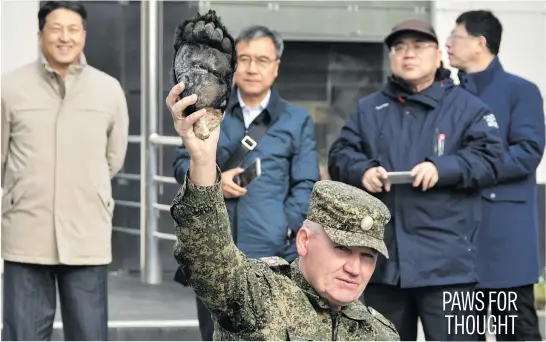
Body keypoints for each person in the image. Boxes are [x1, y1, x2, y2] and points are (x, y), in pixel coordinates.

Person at [166, 82, 400, 341]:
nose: (355, 269)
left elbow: (304, 181)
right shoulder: (257, 298)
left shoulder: (378, 334)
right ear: (304, 240)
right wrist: (203, 163)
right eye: (342, 248)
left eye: (367, 256)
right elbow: (208, 260)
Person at [327, 19, 504, 341]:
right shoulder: (369, 108)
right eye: (400, 47)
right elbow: (340, 155)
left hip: (449, 265)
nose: (409, 54)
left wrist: (445, 168)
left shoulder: (469, 108)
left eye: (420, 45)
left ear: (438, 55)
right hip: (382, 263)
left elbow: (491, 160)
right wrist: (362, 170)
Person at [172, 25, 319, 340]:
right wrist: (215, 181)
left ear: (276, 67)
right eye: (245, 59)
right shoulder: (207, 107)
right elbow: (181, 161)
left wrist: (286, 226)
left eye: (262, 60)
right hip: (213, 250)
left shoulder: (296, 119)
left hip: (275, 255)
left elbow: (307, 182)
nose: (252, 68)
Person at [1, 1, 129, 340]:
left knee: (89, 335)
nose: (64, 37)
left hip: (86, 233)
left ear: (84, 35)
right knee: (22, 335)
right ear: (40, 34)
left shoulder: (108, 90)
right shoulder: (9, 88)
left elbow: (114, 157)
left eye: (73, 29)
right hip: (26, 234)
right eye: (56, 28)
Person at [446, 10, 545, 341]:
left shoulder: (521, 91)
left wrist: (468, 168)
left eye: (454, 37)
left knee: (516, 334)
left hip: (506, 242)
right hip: (457, 242)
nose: (447, 44)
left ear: (479, 43)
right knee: (462, 335)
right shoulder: (448, 95)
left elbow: (528, 153)